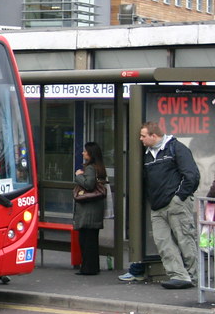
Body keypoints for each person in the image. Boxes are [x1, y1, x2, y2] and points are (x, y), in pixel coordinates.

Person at [124, 122, 200, 288]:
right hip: (158, 206)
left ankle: (195, 277)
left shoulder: (176, 148)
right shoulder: (147, 154)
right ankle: (179, 276)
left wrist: (179, 197)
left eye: (143, 136)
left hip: (176, 203)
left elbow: (192, 175)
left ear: (154, 136)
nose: (141, 139)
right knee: (163, 242)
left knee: (185, 240)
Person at [72, 142, 107, 276]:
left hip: (88, 210)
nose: (83, 153)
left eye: (85, 151)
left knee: (86, 241)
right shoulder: (99, 167)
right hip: (95, 209)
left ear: (91, 153)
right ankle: (92, 267)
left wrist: (79, 175)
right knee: (92, 240)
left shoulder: (91, 168)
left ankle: (87, 268)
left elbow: (89, 184)